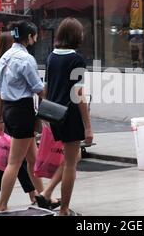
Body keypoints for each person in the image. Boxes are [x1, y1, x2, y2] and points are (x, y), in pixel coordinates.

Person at [42, 17, 93, 216]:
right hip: (70, 116)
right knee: (71, 163)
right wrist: (88, 126)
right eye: (81, 32)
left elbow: (46, 88)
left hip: (54, 114)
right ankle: (64, 210)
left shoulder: (50, 57)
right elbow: (78, 94)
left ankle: (47, 193)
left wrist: (44, 115)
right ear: (75, 36)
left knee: (73, 156)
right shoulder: (76, 60)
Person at [0, 20, 45, 212]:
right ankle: (2, 205)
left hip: (8, 110)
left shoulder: (4, 58)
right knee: (14, 162)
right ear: (30, 37)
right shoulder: (26, 59)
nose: (36, 39)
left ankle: (42, 196)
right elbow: (38, 89)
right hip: (22, 110)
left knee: (33, 158)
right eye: (35, 36)